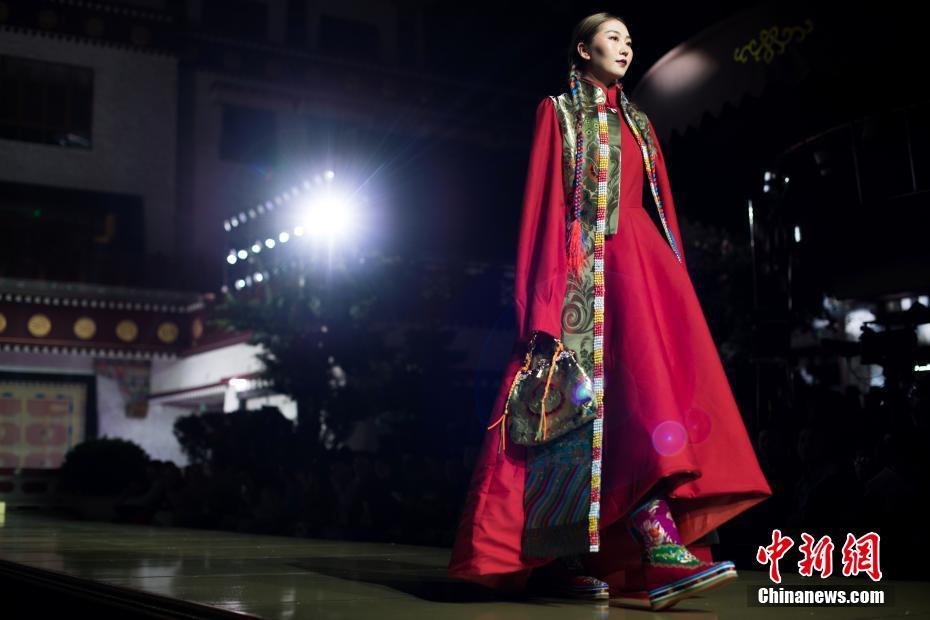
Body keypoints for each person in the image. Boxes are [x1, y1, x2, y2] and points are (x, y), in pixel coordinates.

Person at [447, 12, 772, 610]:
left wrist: (670, 287)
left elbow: (658, 209)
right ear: (582, 49)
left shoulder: (639, 122)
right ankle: (564, 556)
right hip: (580, 278)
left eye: (628, 39)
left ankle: (654, 544)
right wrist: (544, 303)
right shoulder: (558, 113)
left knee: (644, 406)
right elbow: (544, 205)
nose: (626, 46)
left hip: (638, 274)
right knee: (572, 410)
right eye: (613, 37)